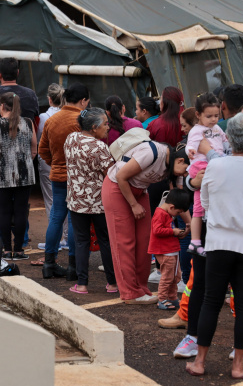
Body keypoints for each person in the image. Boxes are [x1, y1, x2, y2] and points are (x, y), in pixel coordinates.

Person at [185, 113, 243, 379]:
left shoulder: (216, 166)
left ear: (229, 139)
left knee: (211, 300)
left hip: (219, 241)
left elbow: (207, 204)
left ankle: (200, 361)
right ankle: (237, 365)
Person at [102, 139, 190, 305]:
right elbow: (121, 177)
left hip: (140, 191)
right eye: (185, 171)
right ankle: (130, 293)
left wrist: (190, 224)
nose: (185, 175)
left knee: (145, 240)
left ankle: (141, 288)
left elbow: (179, 199)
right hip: (117, 188)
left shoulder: (174, 168)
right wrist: (134, 205)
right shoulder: (152, 152)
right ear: (179, 161)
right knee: (124, 242)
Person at [0, 57, 39, 232]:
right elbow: (35, 124)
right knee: (21, 206)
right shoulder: (30, 94)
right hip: (23, 160)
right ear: (18, 73)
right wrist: (28, 157)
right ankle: (22, 241)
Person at [39, 83, 91, 279]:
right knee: (74, 219)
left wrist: (56, 163)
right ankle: (72, 266)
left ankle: (49, 263)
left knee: (56, 217)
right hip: (77, 177)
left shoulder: (52, 120)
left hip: (58, 175)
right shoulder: (81, 120)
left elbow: (42, 149)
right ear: (83, 100)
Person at [65, 107, 117, 294]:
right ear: (94, 127)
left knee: (81, 242)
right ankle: (112, 283)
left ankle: (82, 284)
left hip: (76, 200)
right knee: (105, 240)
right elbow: (111, 175)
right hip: (99, 202)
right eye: (105, 124)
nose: (108, 127)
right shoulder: (99, 147)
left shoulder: (71, 139)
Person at [0, 92, 37, 260]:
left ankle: (7, 250)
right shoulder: (28, 123)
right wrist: (24, 163)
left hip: (3, 175)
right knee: (21, 212)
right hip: (25, 175)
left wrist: (2, 165)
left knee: (5, 212)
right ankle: (19, 250)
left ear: (2, 106)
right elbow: (34, 149)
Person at [184, 92, 227, 257]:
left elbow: (225, 141)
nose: (214, 119)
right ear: (198, 115)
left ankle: (196, 242)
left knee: (199, 207)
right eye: (209, 116)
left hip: (211, 164)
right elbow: (190, 145)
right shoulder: (197, 130)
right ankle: (198, 240)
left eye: (216, 115)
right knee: (202, 205)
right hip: (201, 165)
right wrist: (191, 150)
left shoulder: (216, 128)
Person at [35, 84, 68, 262]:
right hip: (67, 161)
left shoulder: (44, 116)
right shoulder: (70, 116)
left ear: (49, 99)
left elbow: (41, 140)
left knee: (51, 200)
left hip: (49, 161)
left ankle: (57, 238)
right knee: (69, 199)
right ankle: (67, 237)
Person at [150, 188, 192, 310]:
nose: (179, 215)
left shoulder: (167, 213)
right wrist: (173, 231)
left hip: (172, 249)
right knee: (168, 277)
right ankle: (162, 299)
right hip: (165, 251)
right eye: (178, 212)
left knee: (176, 276)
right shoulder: (160, 214)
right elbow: (157, 230)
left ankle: (172, 298)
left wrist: (179, 233)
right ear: (172, 207)